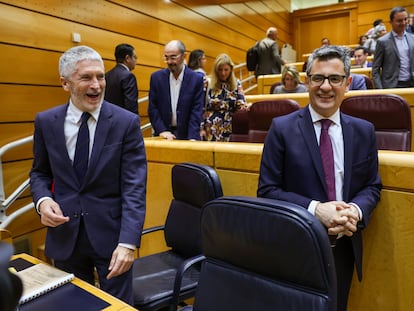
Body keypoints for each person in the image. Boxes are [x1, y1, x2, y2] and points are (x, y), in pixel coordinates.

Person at [257, 45, 381, 311]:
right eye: (318, 78)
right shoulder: (282, 129)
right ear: (307, 82)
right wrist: (316, 210)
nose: (326, 87)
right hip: (295, 249)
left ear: (347, 83)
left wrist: (356, 211)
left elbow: (372, 185)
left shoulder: (364, 131)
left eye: (334, 79)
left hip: (344, 248)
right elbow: (267, 191)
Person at [29, 45, 147, 305]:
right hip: (65, 238)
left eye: (100, 76)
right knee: (72, 305)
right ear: (65, 83)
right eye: (86, 78)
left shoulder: (126, 123)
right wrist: (43, 202)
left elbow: (134, 188)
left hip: (113, 241)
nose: (97, 85)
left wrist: (128, 243)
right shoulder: (46, 122)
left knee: (118, 308)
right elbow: (39, 173)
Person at [148, 40, 204, 140]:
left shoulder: (196, 79)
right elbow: (153, 108)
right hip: (164, 135)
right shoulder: (156, 78)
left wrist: (192, 138)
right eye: (166, 57)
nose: (169, 62)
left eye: (173, 57)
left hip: (188, 135)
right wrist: (162, 130)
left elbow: (196, 110)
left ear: (184, 56)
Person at [200, 53, 248, 142]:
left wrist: (246, 107)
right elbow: (200, 107)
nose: (223, 73)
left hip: (229, 128)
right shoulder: (207, 82)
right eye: (220, 70)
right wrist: (201, 128)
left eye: (226, 70)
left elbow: (241, 104)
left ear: (231, 70)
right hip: (210, 129)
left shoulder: (236, 84)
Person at [372, 6, 414, 89]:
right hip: (392, 86)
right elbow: (375, 70)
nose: (403, 23)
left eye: (405, 19)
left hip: (411, 84)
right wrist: (380, 90)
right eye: (399, 21)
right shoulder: (382, 42)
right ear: (391, 22)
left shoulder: (412, 38)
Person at [105, 43, 139, 114]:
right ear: (127, 58)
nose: (136, 61)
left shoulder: (107, 75)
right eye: (135, 57)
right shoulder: (128, 76)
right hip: (124, 121)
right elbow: (131, 105)